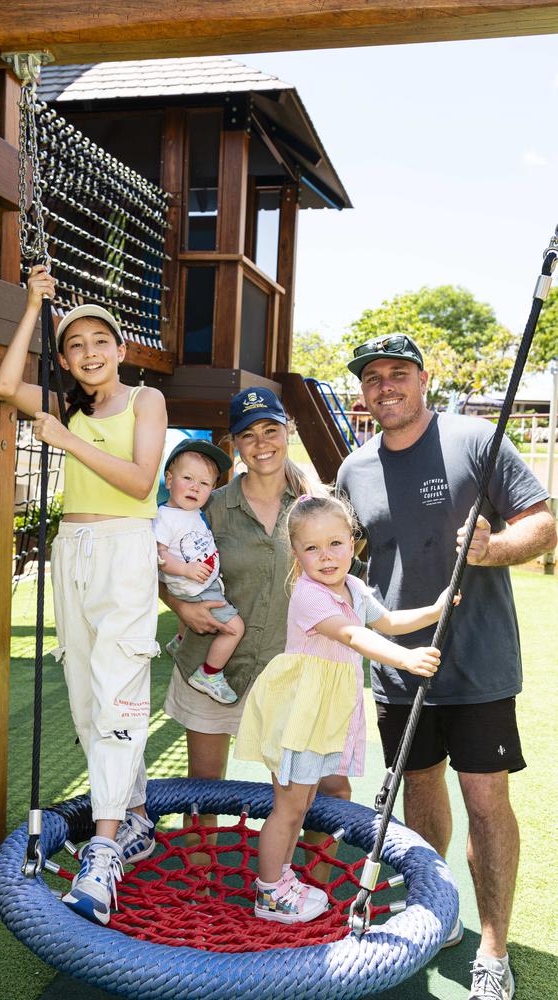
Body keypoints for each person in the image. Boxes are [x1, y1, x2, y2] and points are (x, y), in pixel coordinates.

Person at [336, 333, 557, 998]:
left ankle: (493, 947)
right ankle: (438, 916)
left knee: (486, 802)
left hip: (478, 660)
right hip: (401, 664)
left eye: (398, 373)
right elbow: (345, 558)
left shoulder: (474, 440)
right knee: (420, 791)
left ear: (424, 378)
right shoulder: (354, 468)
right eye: (373, 378)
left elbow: (542, 523)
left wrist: (493, 550)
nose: (385, 387)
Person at [0, 264, 167, 925]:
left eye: (101, 341)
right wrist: (34, 304)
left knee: (120, 691)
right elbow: (6, 384)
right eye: (75, 345)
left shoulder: (143, 401)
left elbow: (140, 479)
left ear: (120, 350)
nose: (89, 353)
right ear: (65, 358)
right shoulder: (63, 403)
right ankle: (137, 821)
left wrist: (66, 440)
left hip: (124, 548)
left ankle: (102, 852)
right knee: (87, 698)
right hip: (71, 554)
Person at [234, 493, 456, 923]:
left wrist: (435, 609)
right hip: (300, 713)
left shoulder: (354, 586)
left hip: (321, 713)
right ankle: (269, 893)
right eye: (311, 548)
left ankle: (280, 879)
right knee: (289, 805)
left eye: (335, 543)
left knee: (301, 801)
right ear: (296, 554)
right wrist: (406, 659)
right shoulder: (308, 596)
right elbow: (354, 637)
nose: (326, 556)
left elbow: (386, 622)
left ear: (353, 542)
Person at [161, 388, 359, 845]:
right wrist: (181, 606)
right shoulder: (208, 505)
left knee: (315, 792)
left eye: (271, 430)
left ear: (287, 431)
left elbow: (341, 573)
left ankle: (307, 885)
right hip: (213, 666)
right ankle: (199, 894)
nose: (261, 443)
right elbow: (155, 562)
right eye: (248, 435)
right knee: (201, 794)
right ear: (235, 444)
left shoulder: (313, 508)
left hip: (289, 671)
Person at [154, 439, 245, 705]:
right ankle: (209, 674)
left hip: (201, 582)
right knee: (234, 628)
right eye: (188, 478)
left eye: (204, 484)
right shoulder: (165, 517)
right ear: (169, 480)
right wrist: (185, 569)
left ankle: (180, 640)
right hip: (194, 587)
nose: (195, 487)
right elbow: (158, 556)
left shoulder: (190, 512)